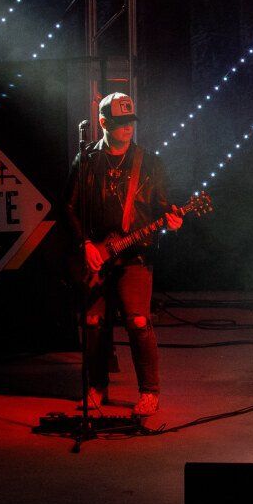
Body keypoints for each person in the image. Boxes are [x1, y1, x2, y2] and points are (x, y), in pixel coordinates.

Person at [65, 92, 182, 422]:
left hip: (134, 256)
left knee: (138, 321)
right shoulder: (86, 161)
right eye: (121, 123)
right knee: (92, 322)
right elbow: (69, 208)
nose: (129, 128)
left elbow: (162, 205)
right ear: (104, 124)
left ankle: (149, 391)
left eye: (131, 122)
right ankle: (97, 387)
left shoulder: (149, 162)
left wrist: (173, 219)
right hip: (96, 255)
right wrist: (84, 244)